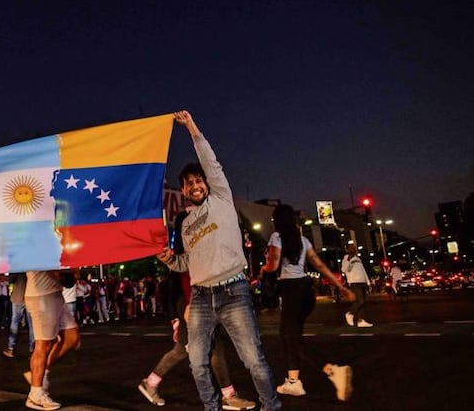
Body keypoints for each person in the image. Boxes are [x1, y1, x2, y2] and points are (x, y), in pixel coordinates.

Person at [157, 111, 280, 411]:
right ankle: (211, 407)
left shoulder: (222, 198)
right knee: (197, 362)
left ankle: (271, 406)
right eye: (189, 184)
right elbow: (188, 264)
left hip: (233, 291)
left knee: (253, 359)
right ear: (183, 190)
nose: (195, 186)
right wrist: (170, 260)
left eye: (199, 180)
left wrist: (191, 127)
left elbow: (210, 160)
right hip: (200, 297)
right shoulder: (184, 223)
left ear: (207, 184)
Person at [140, 211, 256, 410]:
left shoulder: (196, 239)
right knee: (207, 348)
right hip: (193, 302)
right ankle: (228, 395)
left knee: (196, 348)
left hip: (196, 301)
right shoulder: (188, 242)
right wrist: (186, 307)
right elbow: (185, 277)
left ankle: (151, 383)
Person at [261, 204, 355, 401]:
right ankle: (294, 382)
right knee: (291, 336)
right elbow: (319, 264)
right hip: (306, 291)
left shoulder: (276, 237)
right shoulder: (303, 241)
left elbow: (274, 264)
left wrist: (264, 270)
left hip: (291, 291)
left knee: (289, 336)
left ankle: (332, 371)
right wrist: (340, 286)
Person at [22, 269, 81, 411]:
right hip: (41, 296)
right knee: (43, 345)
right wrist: (72, 272)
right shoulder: (40, 247)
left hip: (54, 294)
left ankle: (40, 374)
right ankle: (35, 395)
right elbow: (57, 273)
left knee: (72, 337)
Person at [3, 271, 34, 358]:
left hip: (18, 297)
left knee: (15, 322)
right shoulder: (32, 266)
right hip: (31, 297)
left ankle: (11, 347)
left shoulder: (17, 267)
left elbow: (10, 280)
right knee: (32, 325)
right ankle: (33, 349)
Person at [341, 244, 372, 327]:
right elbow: (344, 269)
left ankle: (360, 321)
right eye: (352, 248)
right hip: (354, 282)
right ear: (347, 250)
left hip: (362, 282)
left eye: (355, 248)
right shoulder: (346, 258)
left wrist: (368, 282)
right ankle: (350, 313)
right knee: (360, 300)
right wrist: (349, 260)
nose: (354, 249)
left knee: (363, 302)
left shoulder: (358, 259)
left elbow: (363, 270)